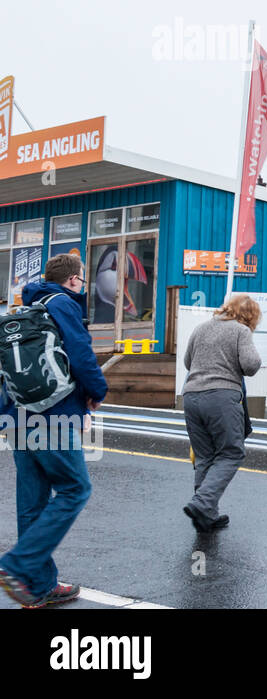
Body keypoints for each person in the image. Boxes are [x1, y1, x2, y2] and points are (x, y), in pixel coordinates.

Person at [0, 253, 107, 609]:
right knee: (76, 489)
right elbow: (80, 351)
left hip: (19, 417)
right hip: (53, 413)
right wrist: (96, 392)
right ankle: (16, 565)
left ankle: (39, 584)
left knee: (32, 502)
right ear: (74, 279)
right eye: (81, 279)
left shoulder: (21, 310)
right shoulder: (63, 304)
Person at [180, 293, 263, 532]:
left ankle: (206, 515)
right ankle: (203, 502)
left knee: (205, 456)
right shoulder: (240, 331)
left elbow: (188, 362)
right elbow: (250, 365)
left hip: (192, 397)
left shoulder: (200, 328)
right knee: (230, 453)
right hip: (222, 398)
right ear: (250, 315)